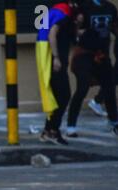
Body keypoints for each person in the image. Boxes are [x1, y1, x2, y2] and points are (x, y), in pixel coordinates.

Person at [67, 0, 118, 137]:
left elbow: (114, 27)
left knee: (109, 88)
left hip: (102, 55)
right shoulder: (84, 6)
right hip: (85, 54)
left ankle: (114, 122)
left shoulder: (110, 7)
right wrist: (78, 30)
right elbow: (74, 28)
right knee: (82, 87)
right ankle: (71, 125)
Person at [36, 0, 77, 145]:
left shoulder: (58, 10)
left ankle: (49, 130)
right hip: (53, 60)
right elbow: (52, 34)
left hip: (48, 57)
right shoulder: (65, 12)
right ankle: (51, 130)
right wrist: (56, 58)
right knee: (63, 95)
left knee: (57, 96)